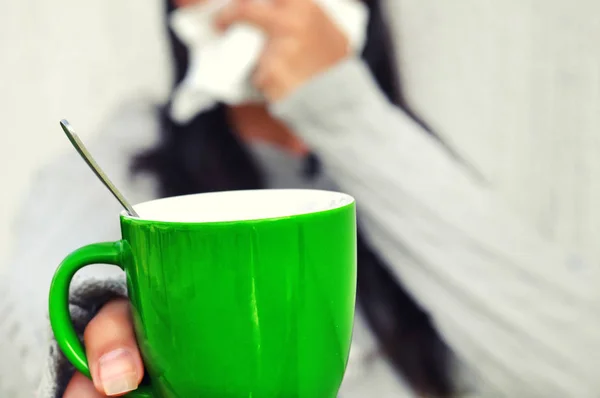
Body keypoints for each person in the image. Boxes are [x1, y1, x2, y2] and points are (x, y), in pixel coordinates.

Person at [1, 0, 600, 397]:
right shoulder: (125, 154)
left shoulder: (411, 170)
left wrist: (344, 110)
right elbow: (39, 289)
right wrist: (93, 324)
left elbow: (578, 369)